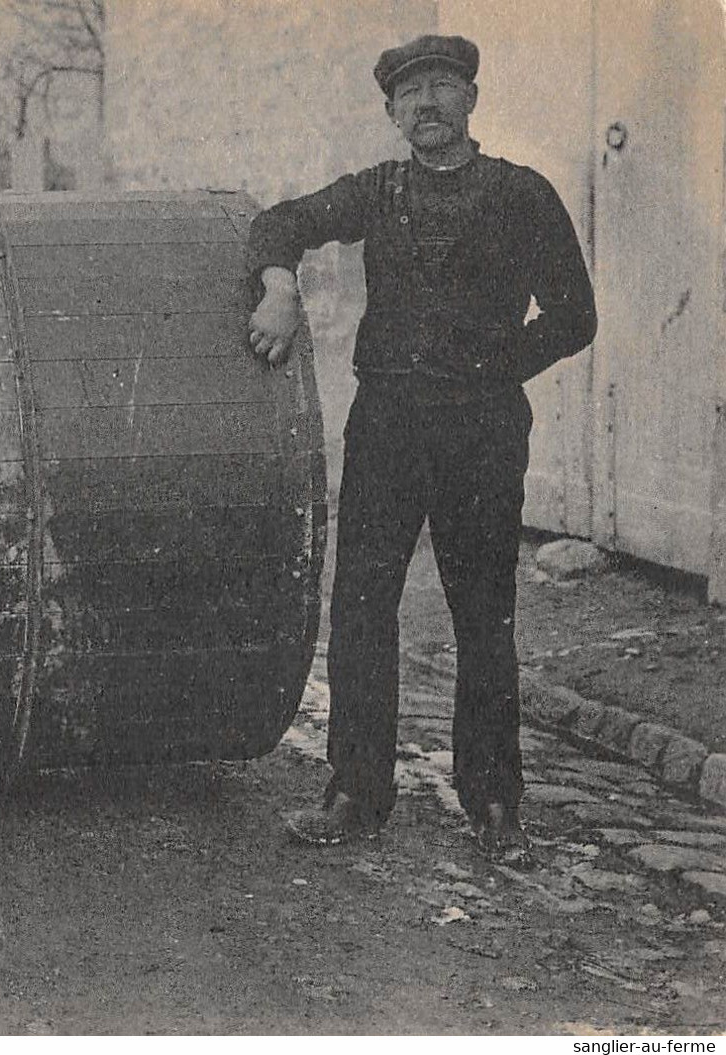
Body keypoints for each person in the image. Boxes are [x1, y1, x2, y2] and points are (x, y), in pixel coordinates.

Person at [246, 34, 597, 863]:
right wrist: (275, 283)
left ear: (471, 101)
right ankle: (354, 790)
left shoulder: (519, 195)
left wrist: (490, 364)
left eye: (442, 86)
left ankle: (496, 804)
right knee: (362, 608)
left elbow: (574, 316)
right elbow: (282, 221)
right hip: (388, 427)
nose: (426, 104)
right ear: (391, 113)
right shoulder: (376, 193)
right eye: (409, 95)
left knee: (483, 615)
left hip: (480, 431)